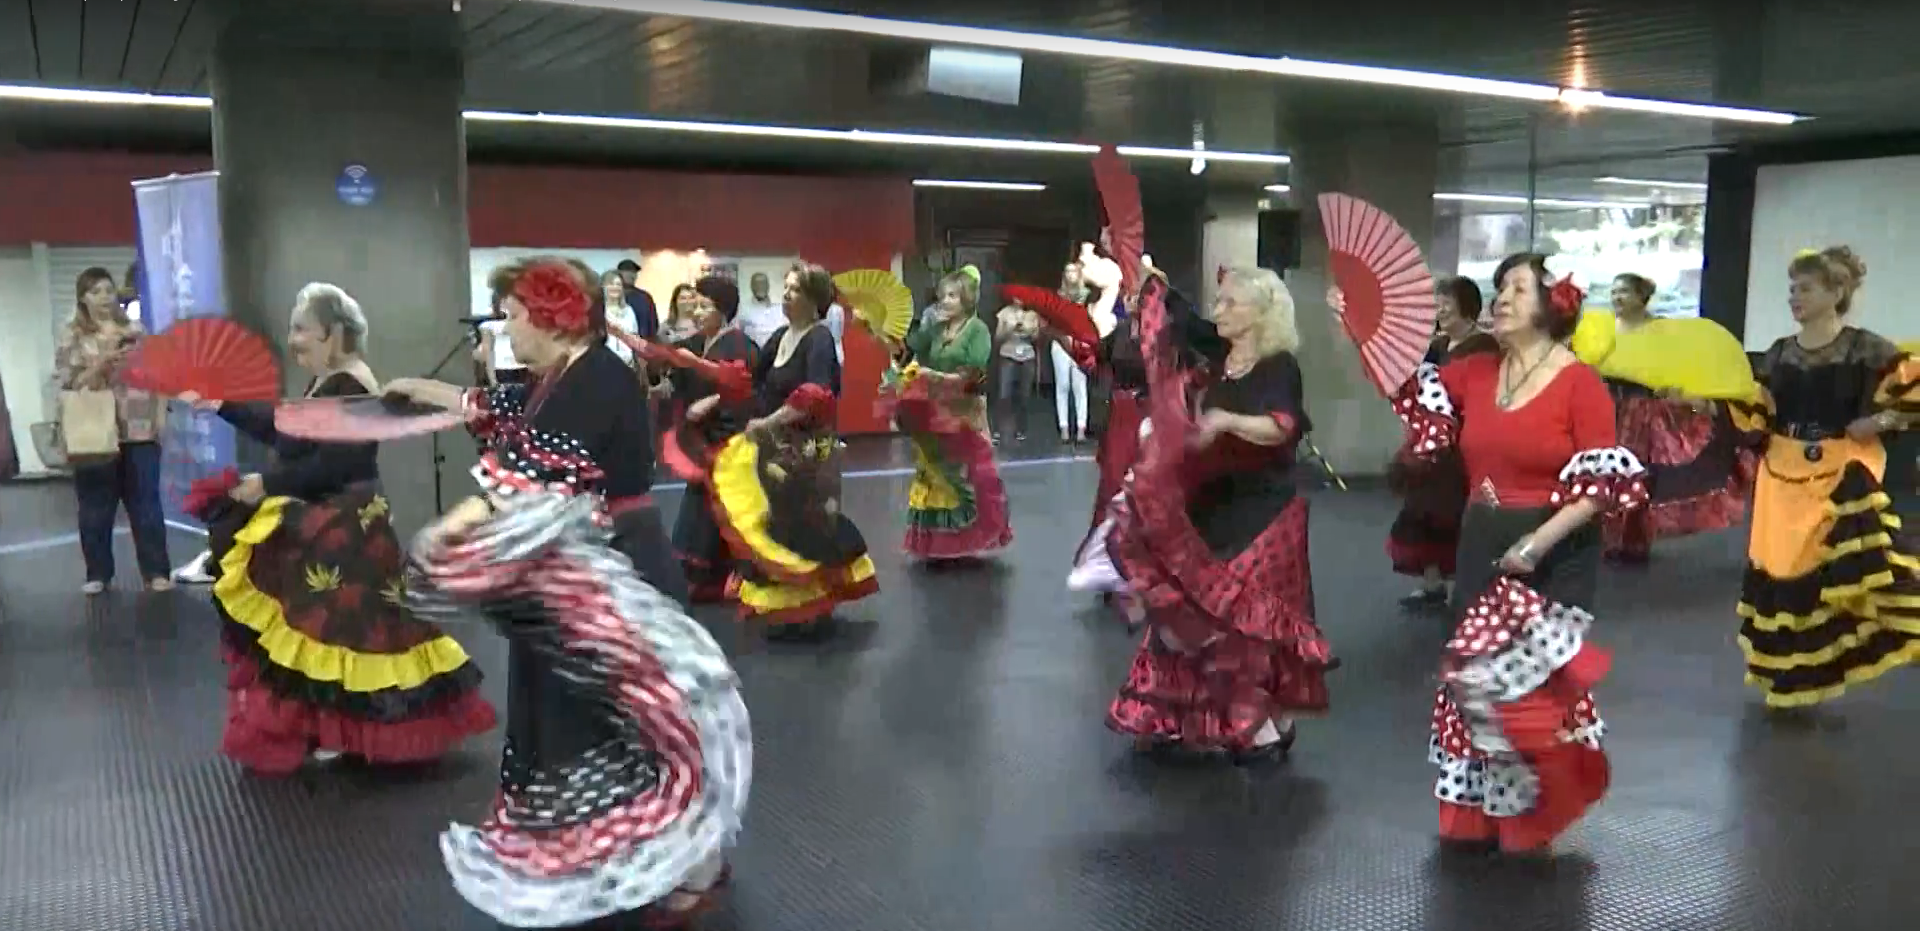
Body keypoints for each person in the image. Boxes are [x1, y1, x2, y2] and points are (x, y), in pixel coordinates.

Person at [394, 257, 743, 929]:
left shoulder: (599, 378)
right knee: (592, 720)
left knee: (629, 724)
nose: (506, 325)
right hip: (582, 572)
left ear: (552, 317)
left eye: (514, 313)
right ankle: (632, 861)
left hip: (622, 565)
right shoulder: (562, 376)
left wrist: (448, 526)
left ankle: (690, 866)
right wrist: (422, 390)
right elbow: (502, 413)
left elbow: (528, 469)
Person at [182, 283, 495, 775]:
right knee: (335, 636)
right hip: (338, 524)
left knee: (342, 637)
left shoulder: (349, 385)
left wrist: (266, 483)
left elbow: (334, 464)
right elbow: (285, 428)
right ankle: (334, 729)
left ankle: (345, 731)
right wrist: (223, 404)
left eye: (301, 328)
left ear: (332, 334)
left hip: (344, 528)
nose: (294, 339)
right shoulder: (330, 382)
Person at [1391, 252, 1647, 854]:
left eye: (1516, 288)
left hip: (1551, 550)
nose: (1500, 298)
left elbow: (1602, 488)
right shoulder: (1477, 371)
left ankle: (1532, 816)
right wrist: (1362, 326)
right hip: (1481, 542)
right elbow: (1409, 391)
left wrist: (1536, 543)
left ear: (1552, 305)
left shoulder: (1580, 383)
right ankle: (1478, 815)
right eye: (1499, 287)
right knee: (1475, 683)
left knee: (1525, 693)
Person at [1105, 266, 1329, 766]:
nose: (1220, 310)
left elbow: (1281, 429)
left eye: (1231, 303)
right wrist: (1143, 278)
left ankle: (1263, 728)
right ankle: (1203, 719)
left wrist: (1224, 419)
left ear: (1261, 314)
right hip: (1216, 504)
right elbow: (1179, 318)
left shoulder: (1278, 365)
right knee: (1197, 612)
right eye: (1221, 301)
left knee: (1238, 621)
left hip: (1265, 509)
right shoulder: (1225, 355)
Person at [1729, 246, 1918, 710]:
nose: (1794, 297)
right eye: (1792, 289)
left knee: (1850, 568)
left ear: (1836, 292)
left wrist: (1879, 422)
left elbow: (1911, 394)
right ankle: (1791, 679)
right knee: (1782, 572)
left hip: (1842, 470)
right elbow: (1756, 413)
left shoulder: (1866, 348)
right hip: (1782, 471)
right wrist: (1706, 406)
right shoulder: (1777, 354)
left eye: (1806, 288)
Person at [694, 262, 877, 637]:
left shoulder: (819, 339)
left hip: (809, 450)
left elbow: (814, 395)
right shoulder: (779, 337)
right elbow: (752, 383)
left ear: (814, 299)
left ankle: (814, 607)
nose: (786, 295)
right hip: (776, 450)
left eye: (794, 289)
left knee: (808, 522)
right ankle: (792, 605)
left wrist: (770, 421)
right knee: (778, 522)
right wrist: (717, 397)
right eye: (786, 288)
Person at [1598, 273, 1754, 563]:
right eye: (1614, 291)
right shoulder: (1604, 332)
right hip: (1612, 406)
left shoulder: (1662, 332)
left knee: (1639, 475)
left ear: (1641, 297)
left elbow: (1676, 368)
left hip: (1645, 411)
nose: (1617, 298)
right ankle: (1610, 538)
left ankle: (1633, 540)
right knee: (1609, 473)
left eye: (1624, 292)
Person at [55, 266, 172, 593]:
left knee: (146, 503)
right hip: (94, 431)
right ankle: (98, 573)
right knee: (96, 506)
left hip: (140, 428)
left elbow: (161, 375)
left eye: (108, 290)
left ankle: (156, 571)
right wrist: (103, 361)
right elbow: (71, 383)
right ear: (83, 298)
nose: (104, 298)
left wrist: (161, 415)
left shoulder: (136, 330)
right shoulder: (72, 336)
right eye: (95, 292)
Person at [886, 267, 1013, 561]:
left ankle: (971, 536)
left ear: (967, 299)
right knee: (936, 473)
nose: (945, 301)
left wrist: (936, 376)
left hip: (965, 410)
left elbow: (974, 377)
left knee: (969, 474)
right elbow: (908, 353)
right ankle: (940, 543)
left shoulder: (977, 330)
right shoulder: (937, 328)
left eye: (953, 296)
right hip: (936, 411)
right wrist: (894, 338)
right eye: (943, 295)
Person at [1387, 277, 1497, 609]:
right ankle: (1432, 584)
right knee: (1423, 511)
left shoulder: (1485, 347)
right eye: (1437, 304)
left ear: (1467, 306)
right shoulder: (1435, 346)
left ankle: (1461, 588)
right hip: (1432, 440)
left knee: (1457, 514)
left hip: (1465, 439)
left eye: (1446, 303)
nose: (1440, 310)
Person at [655, 276, 757, 602]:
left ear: (723, 310)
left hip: (727, 440)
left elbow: (744, 387)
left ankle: (733, 575)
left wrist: (710, 404)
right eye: (695, 305)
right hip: (703, 443)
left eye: (705, 306)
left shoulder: (737, 344)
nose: (697, 312)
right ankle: (710, 575)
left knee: (725, 510)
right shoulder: (699, 343)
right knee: (706, 509)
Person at [1050, 261, 1092, 444]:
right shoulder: (1058, 296)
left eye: (1073, 271)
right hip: (1061, 342)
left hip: (1081, 343)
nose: (1070, 275)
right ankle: (1064, 427)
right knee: (1062, 384)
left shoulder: (1087, 295)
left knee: (1080, 385)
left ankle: (1081, 428)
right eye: (1067, 271)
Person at [992, 299, 1041, 443]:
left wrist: (1029, 331)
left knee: (1024, 396)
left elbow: (1036, 338)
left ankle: (1021, 429)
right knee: (1004, 394)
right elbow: (997, 337)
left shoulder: (1032, 314)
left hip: (1027, 356)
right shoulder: (1004, 313)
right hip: (1008, 355)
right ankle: (997, 430)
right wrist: (1009, 329)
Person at [737, 271, 785, 348]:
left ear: (768, 286)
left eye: (763, 283)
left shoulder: (780, 310)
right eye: (757, 284)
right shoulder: (743, 310)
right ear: (752, 286)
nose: (760, 287)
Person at [616, 257, 659, 342]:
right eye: (628, 271)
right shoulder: (612, 296)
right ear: (619, 274)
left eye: (634, 272)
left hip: (642, 345)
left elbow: (653, 325)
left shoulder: (645, 297)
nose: (632, 275)